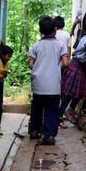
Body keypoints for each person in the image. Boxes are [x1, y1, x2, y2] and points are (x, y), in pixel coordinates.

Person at [28, 16, 69, 145]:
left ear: (41, 30)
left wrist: (40, 69)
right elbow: (66, 62)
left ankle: (34, 130)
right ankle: (49, 135)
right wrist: (57, 68)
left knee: (37, 107)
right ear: (55, 29)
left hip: (38, 83)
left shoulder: (36, 45)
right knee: (52, 109)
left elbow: (30, 64)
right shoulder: (60, 45)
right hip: (53, 84)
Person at [59, 20, 86, 125]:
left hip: (82, 67)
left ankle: (69, 110)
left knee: (78, 92)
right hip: (76, 66)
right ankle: (59, 115)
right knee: (70, 93)